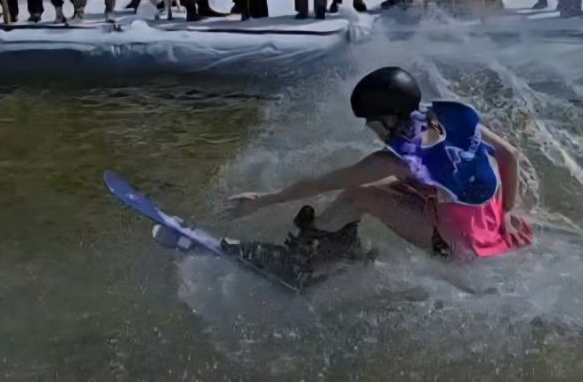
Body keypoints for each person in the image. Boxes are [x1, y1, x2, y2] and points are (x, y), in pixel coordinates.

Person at [227, 67, 533, 260]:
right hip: (486, 218)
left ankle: (302, 258)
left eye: (371, 122)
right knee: (391, 185)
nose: (369, 129)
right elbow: (509, 155)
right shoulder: (450, 116)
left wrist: (263, 200)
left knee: (357, 195)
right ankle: (341, 243)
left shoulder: (395, 161)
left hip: (457, 244)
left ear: (390, 118)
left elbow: (325, 182)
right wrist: (507, 212)